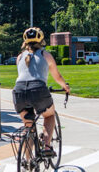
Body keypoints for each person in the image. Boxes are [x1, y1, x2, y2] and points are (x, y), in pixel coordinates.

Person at [12, 27, 70, 155]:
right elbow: (57, 76)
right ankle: (47, 147)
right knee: (49, 115)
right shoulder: (45, 55)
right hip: (38, 89)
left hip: (19, 91)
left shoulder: (20, 57)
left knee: (29, 126)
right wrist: (65, 86)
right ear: (42, 40)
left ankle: (27, 162)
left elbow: (24, 76)